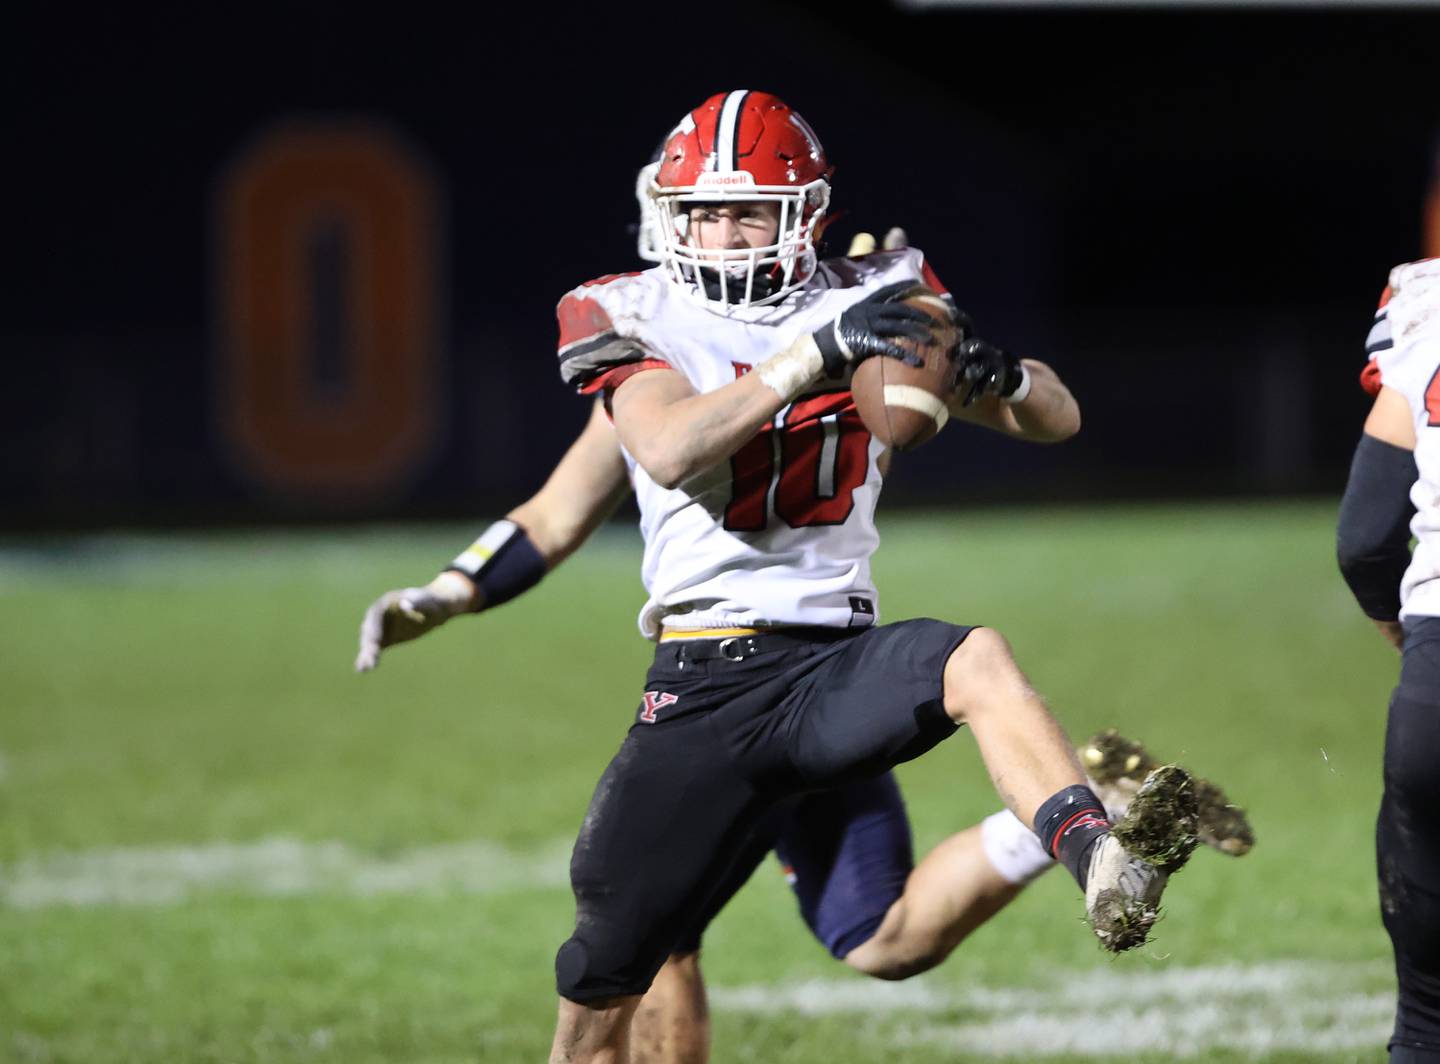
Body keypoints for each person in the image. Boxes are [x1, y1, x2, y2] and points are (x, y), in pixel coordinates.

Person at [360, 90, 1202, 1063]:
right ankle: (1081, 805)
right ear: (665, 214)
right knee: (682, 975)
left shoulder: (876, 292)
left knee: (976, 658)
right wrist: (450, 591)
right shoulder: (632, 313)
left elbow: (1058, 416)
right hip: (707, 686)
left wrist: (990, 370)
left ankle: (1101, 850)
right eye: (704, 210)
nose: (723, 230)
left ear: (805, 212)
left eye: (749, 207)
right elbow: (640, 465)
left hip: (835, 669)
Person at [1338, 255, 1440, 1062]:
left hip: (1435, 689)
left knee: (1426, 1030)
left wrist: (1400, 632)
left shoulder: (1428, 307)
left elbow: (1366, 539)